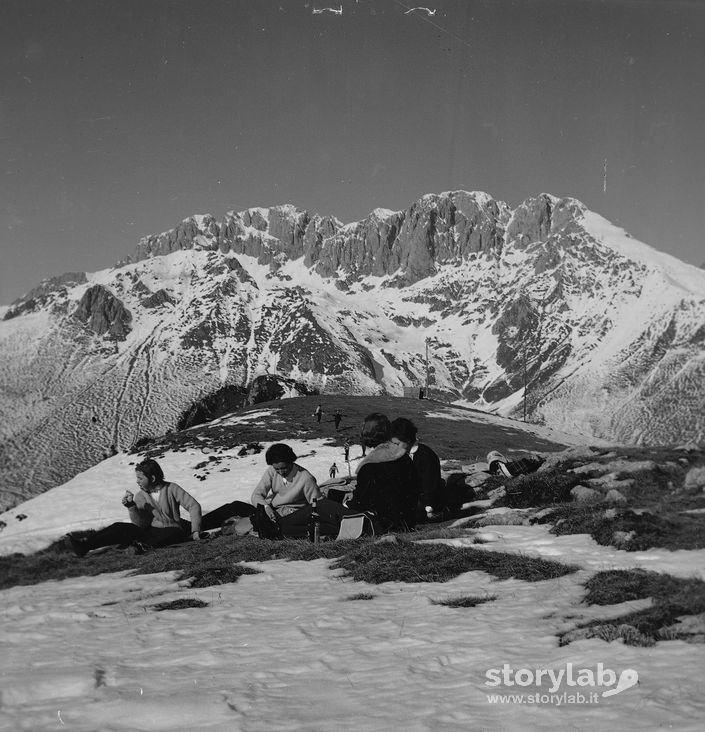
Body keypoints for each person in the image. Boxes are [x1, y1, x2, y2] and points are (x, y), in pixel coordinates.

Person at [67, 459, 203, 557]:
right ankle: (85, 545)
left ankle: (139, 547)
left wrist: (195, 530)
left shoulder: (172, 488)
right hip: (150, 531)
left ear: (153, 478)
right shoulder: (140, 496)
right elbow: (140, 524)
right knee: (119, 526)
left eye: (140, 478)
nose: (137, 481)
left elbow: (193, 505)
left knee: (172, 533)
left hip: (173, 529)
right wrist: (131, 507)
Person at [350, 413, 420, 532]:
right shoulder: (404, 457)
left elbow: (360, 503)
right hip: (406, 521)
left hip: (378, 524)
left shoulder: (370, 464)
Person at [250, 443, 322, 538]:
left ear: (291, 462)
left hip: (295, 513)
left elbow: (316, 503)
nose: (280, 472)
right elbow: (257, 495)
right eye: (277, 469)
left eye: (284, 468)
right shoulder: (271, 471)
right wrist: (266, 508)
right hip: (274, 510)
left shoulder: (305, 478)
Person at [391, 417, 445, 521]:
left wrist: (428, 508)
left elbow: (430, 486)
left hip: (424, 503)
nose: (394, 447)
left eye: (397, 444)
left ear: (407, 440)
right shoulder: (400, 454)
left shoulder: (426, 456)